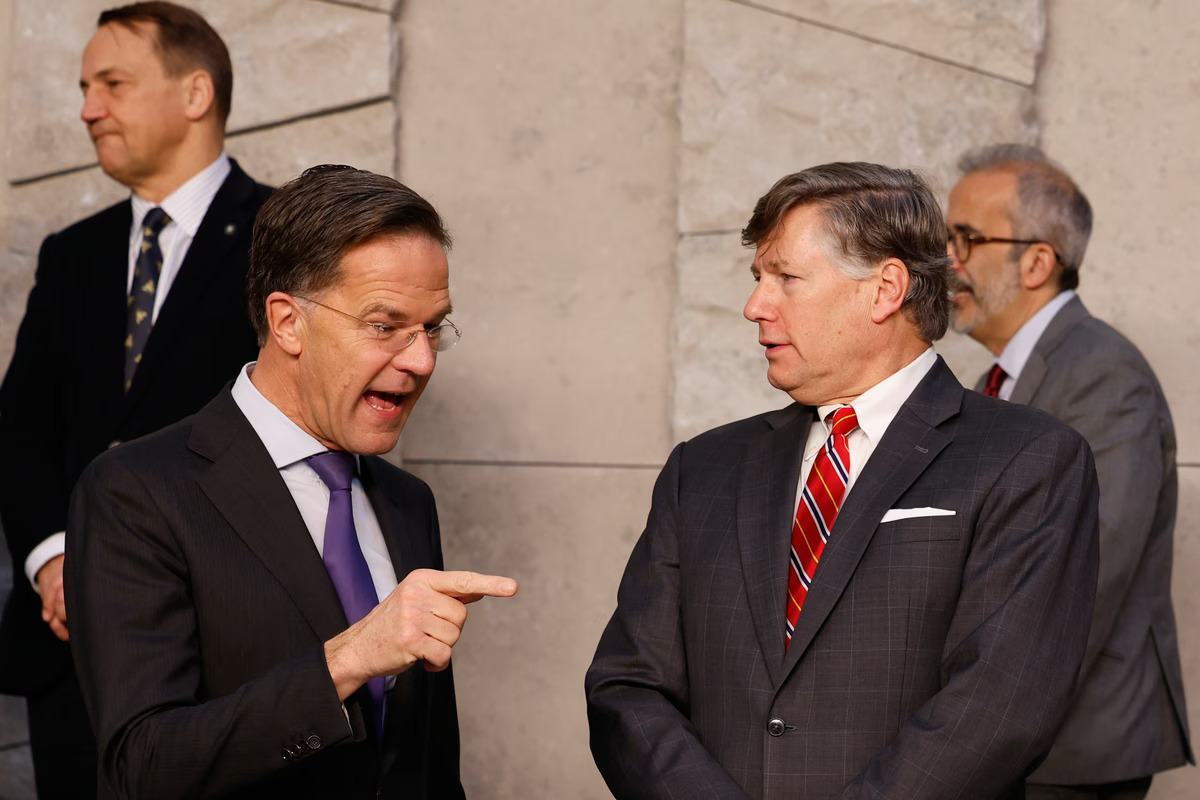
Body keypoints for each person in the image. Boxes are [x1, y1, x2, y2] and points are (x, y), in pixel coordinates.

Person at [586, 162, 1102, 799]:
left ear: (886, 288)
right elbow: (628, 685)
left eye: (786, 278)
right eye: (757, 278)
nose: (754, 306)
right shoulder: (704, 469)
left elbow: (999, 707)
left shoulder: (1029, 460)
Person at [63, 164, 517, 799]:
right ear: (287, 322)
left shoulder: (409, 503)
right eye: (385, 326)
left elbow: (426, 764)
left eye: (433, 328)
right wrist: (348, 660)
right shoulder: (136, 493)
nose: (419, 361)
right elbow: (144, 764)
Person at [0, 3, 270, 796]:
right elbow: (19, 431)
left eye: (112, 83)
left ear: (195, 94)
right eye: (86, 86)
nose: (88, 107)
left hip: (225, 663)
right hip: (70, 660)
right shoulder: (71, 254)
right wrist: (55, 562)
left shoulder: (284, 240)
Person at [946, 143, 1192, 799]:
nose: (947, 260)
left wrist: (973, 727)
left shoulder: (1103, 374)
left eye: (966, 238)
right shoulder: (993, 380)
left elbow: (1087, 572)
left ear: (1036, 261)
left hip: (1068, 751)